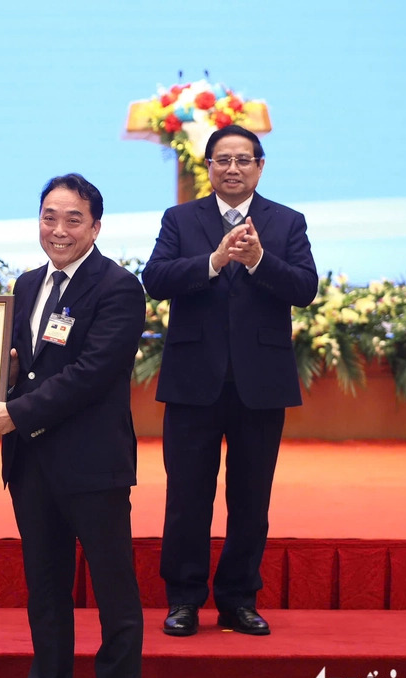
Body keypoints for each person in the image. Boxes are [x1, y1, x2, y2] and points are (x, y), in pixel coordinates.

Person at [0, 174, 146, 678]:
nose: (59, 229)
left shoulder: (119, 287)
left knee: (114, 596)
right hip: (32, 465)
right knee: (46, 594)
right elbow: (25, 364)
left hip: (92, 465)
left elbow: (91, 374)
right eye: (50, 216)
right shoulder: (27, 284)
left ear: (96, 226)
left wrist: (18, 414)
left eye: (73, 219)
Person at [141, 124, 318, 638]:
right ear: (209, 167)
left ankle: (239, 599)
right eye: (223, 160)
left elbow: (305, 287)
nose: (233, 169)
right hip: (194, 381)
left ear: (260, 167)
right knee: (187, 495)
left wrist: (259, 261)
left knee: (251, 498)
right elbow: (155, 279)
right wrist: (215, 262)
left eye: (244, 160)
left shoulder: (287, 222)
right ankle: (183, 599)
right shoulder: (181, 219)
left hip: (260, 384)